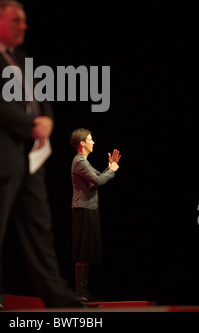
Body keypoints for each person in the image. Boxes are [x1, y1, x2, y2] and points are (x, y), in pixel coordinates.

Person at [0, 0, 85, 310]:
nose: (24, 26)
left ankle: (58, 297)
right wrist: (32, 125)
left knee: (40, 228)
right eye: (17, 20)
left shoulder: (21, 57)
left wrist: (48, 119)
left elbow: (41, 97)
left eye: (24, 20)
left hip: (29, 158)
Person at [69, 128, 121, 302]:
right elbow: (99, 181)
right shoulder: (79, 161)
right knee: (83, 251)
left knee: (87, 251)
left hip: (88, 208)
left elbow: (97, 177)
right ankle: (80, 291)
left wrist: (109, 167)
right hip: (83, 208)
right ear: (82, 143)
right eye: (91, 139)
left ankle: (83, 291)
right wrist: (112, 170)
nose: (93, 142)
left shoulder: (84, 161)